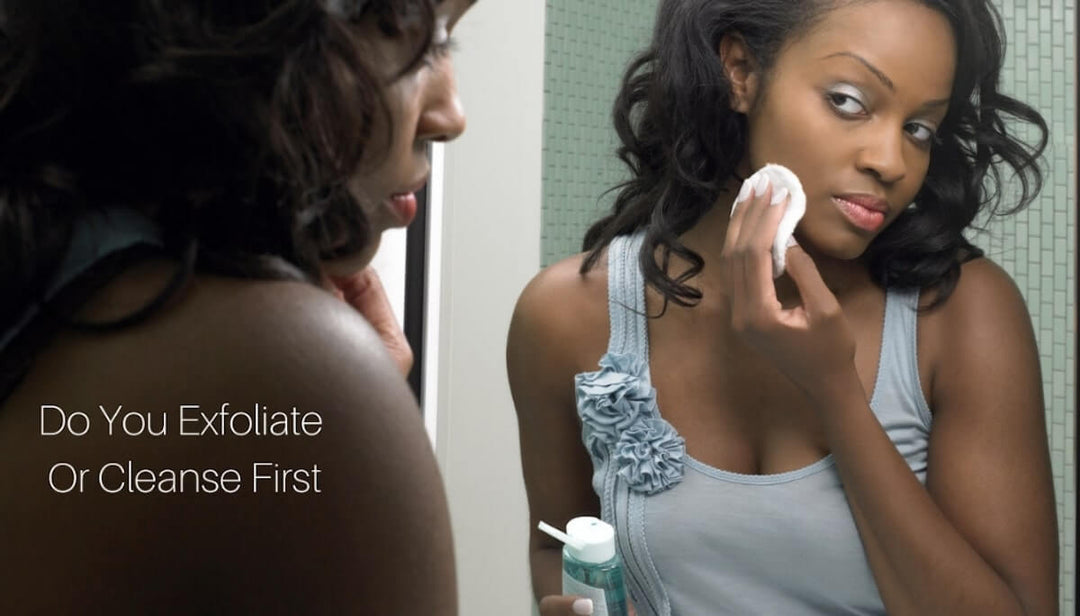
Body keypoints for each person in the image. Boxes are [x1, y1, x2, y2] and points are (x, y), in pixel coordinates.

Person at [508, 0, 1059, 614]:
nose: (890, 161)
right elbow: (556, 541)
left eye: (918, 129)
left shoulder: (960, 314)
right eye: (848, 100)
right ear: (740, 70)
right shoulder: (566, 316)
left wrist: (835, 394)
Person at [0, 0, 472, 612]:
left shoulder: (51, 255)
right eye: (405, 28)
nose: (450, 115)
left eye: (447, 40)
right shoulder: (288, 379)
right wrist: (349, 426)